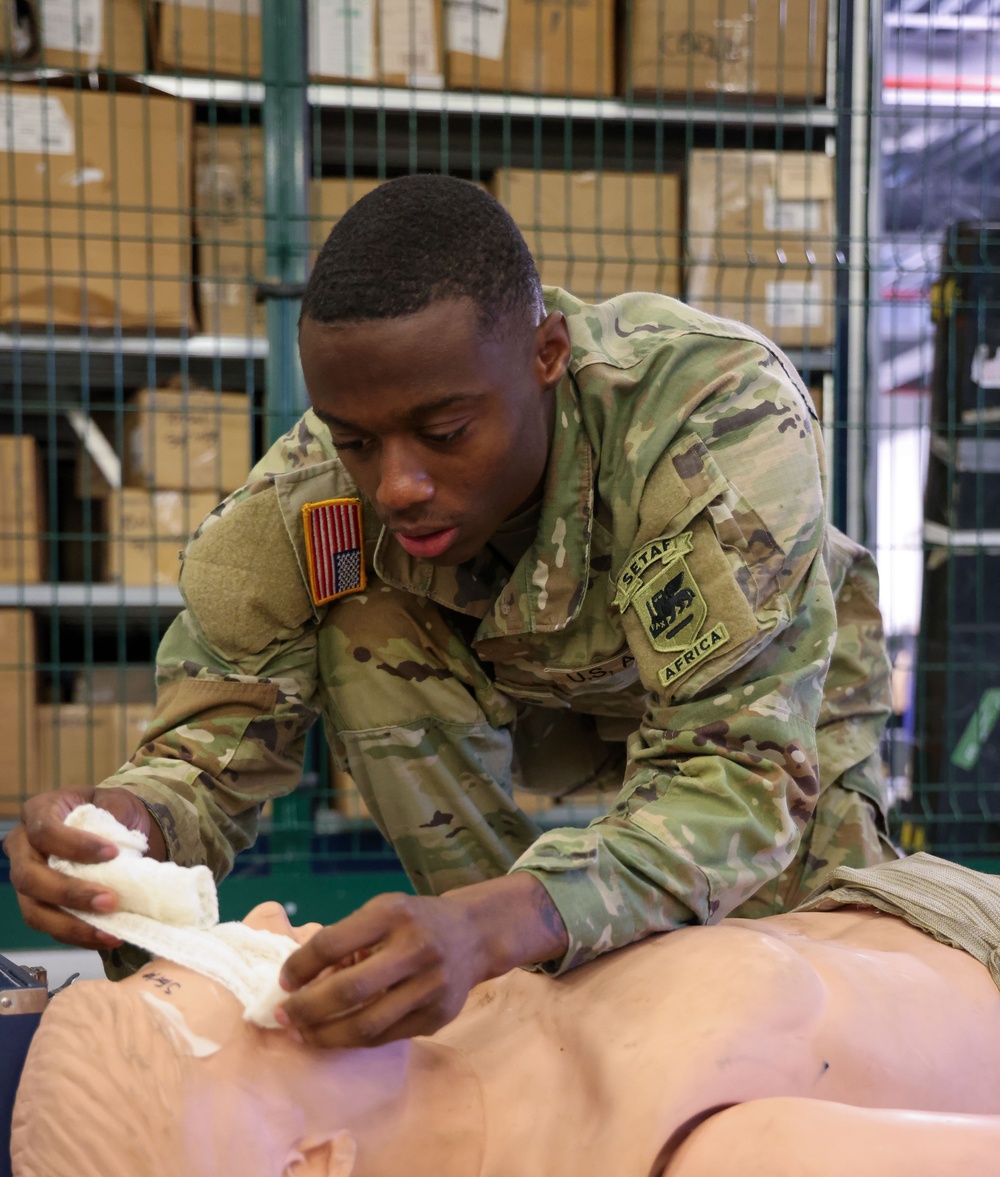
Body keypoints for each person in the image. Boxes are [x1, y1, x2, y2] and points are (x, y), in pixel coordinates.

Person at [3, 174, 894, 1048]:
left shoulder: (714, 418)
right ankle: (508, 1019)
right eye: (355, 440)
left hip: (761, 705)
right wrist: (129, 826)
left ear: (546, 355)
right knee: (360, 615)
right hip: (538, 688)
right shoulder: (311, 497)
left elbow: (739, 773)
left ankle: (501, 943)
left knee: (809, 1001)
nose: (397, 484)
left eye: (445, 433)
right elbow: (210, 745)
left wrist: (508, 917)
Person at [14, 852, 1000, 1177]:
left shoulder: (455, 1031)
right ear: (309, 1168)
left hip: (899, 893)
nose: (268, 918)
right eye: (231, 978)